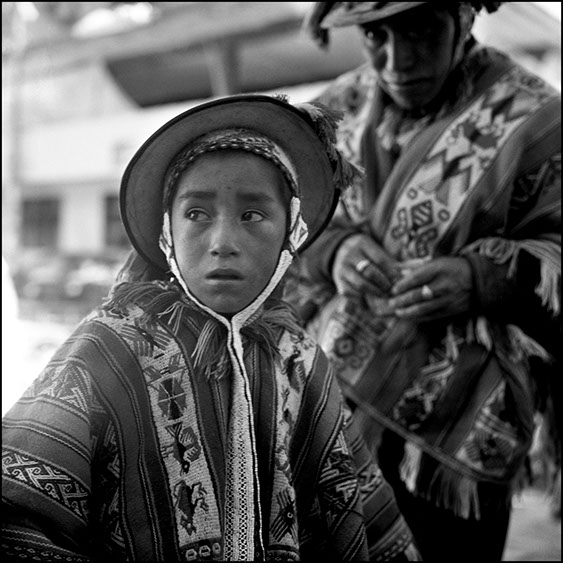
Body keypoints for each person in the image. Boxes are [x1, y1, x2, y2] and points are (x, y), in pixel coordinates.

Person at [2, 94, 420, 561]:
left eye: (253, 215)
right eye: (197, 214)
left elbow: (359, 511)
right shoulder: (109, 347)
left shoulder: (301, 362)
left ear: (292, 233)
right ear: (167, 235)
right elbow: (17, 509)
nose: (223, 242)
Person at [281, 2, 561, 561]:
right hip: (327, 411)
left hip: (458, 433)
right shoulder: (334, 113)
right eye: (375, 34)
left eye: (420, 30)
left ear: (463, 20)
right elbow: (284, 220)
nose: (397, 58)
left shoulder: (539, 119)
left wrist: (483, 277)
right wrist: (334, 250)